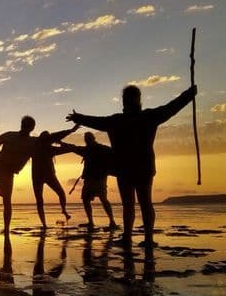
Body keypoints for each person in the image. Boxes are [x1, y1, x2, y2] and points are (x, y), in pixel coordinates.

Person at [67, 84, 198, 248]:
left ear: (123, 101)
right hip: (143, 167)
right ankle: (147, 239)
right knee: (145, 203)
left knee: (129, 204)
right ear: (139, 100)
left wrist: (78, 117)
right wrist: (189, 94)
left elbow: (96, 121)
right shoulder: (149, 117)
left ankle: (129, 237)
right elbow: (171, 107)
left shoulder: (117, 120)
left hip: (125, 168)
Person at [58, 132, 118, 231]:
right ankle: (92, 222)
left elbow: (74, 148)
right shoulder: (89, 149)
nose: (87, 140)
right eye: (86, 138)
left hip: (99, 178)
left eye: (88, 138)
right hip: (91, 178)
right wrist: (62, 143)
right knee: (87, 200)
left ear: (93, 138)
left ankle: (111, 221)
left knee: (102, 199)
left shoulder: (100, 148)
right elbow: (74, 148)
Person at [31, 124, 79, 228]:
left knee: (41, 200)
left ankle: (45, 224)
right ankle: (62, 212)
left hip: (38, 176)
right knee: (59, 194)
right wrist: (70, 132)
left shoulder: (35, 146)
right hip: (46, 176)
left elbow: (58, 136)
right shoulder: (49, 149)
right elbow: (64, 144)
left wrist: (71, 131)